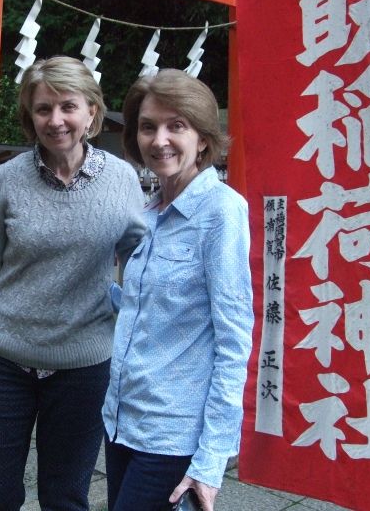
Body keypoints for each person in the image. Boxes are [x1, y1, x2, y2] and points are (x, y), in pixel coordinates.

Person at [0, 55, 146, 511]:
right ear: (29, 116)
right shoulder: (9, 179)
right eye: (43, 109)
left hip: (84, 360)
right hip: (4, 357)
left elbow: (140, 264)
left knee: (66, 496)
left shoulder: (121, 179)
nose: (56, 121)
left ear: (91, 112)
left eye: (68, 107)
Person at [102, 69, 253, 511]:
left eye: (176, 126)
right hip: (120, 420)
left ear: (203, 139)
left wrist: (210, 462)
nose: (160, 139)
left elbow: (233, 339)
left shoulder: (221, 211)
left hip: (173, 434)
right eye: (148, 127)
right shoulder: (146, 214)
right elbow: (142, 309)